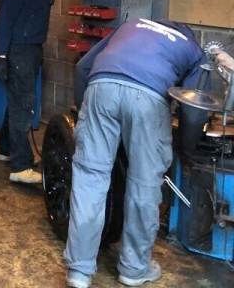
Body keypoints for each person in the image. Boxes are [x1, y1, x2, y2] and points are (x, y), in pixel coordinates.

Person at [64, 18, 215, 288]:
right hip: (149, 99)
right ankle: (134, 269)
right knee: (144, 184)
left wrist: (85, 111)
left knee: (90, 180)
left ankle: (79, 271)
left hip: (100, 88)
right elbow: (193, 112)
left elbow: (82, 67)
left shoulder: (131, 25)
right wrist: (186, 149)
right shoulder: (194, 50)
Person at [0, 0, 54, 184]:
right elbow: (5, 17)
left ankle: (6, 149)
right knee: (23, 106)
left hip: (33, 47)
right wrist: (1, 55)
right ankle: (20, 167)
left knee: (17, 101)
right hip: (19, 49)